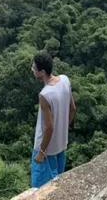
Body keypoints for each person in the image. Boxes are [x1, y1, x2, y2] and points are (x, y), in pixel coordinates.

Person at [31, 52, 76, 188]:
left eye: (34, 68)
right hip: (61, 147)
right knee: (56, 187)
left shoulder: (45, 94)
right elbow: (73, 108)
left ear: (42, 72)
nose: (32, 70)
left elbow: (49, 127)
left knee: (41, 190)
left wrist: (41, 152)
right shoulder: (65, 80)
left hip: (46, 149)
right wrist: (63, 129)